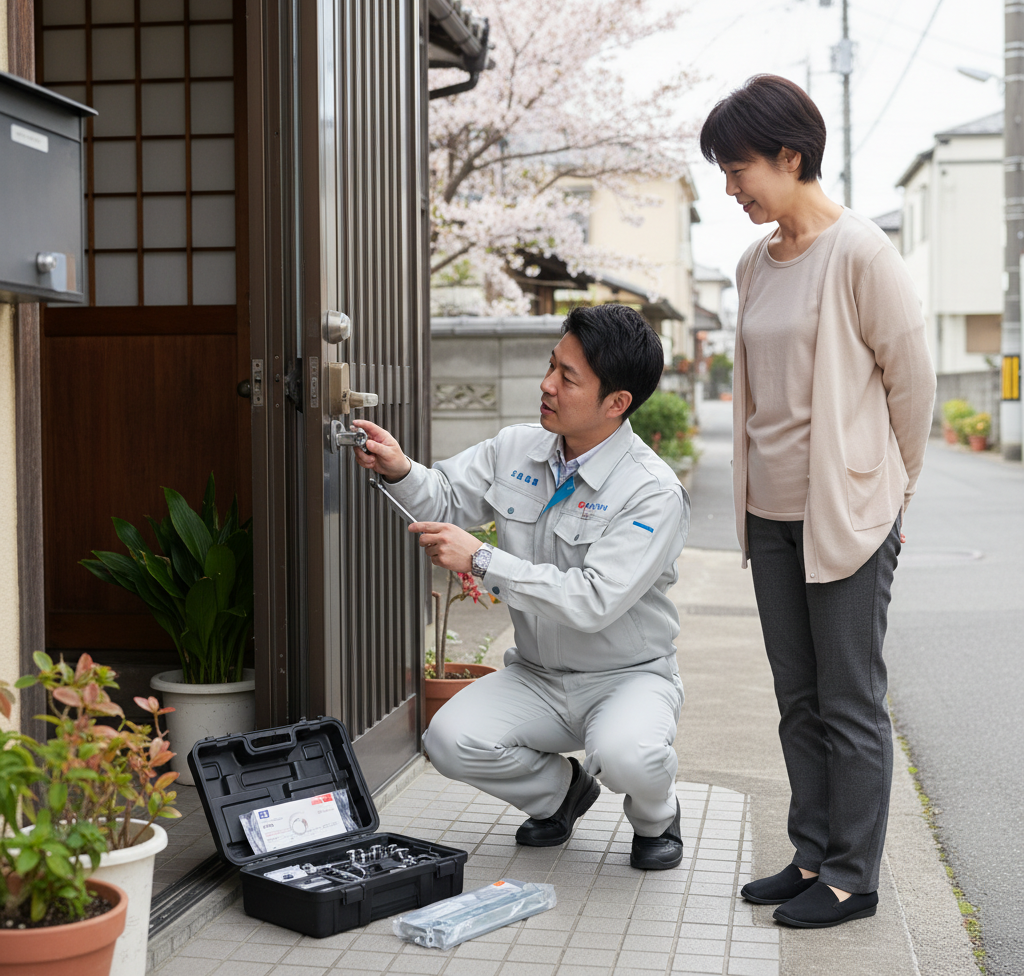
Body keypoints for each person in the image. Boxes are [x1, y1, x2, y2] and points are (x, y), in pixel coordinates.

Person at [699, 75, 936, 928]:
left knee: (850, 700)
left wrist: (894, 492)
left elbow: (913, 386)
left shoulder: (862, 253)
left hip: (849, 515)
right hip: (771, 517)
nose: (729, 186)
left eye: (738, 168)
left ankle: (852, 875)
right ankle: (809, 854)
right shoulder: (753, 263)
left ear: (790, 157)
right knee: (797, 695)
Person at [351, 304, 690, 869]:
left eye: (568, 377)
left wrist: (482, 558)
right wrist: (399, 468)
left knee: (630, 754)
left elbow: (594, 600)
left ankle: (657, 819)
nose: (547, 384)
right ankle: (561, 796)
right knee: (448, 738)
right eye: (551, 365)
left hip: (627, 679)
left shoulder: (652, 491)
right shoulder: (516, 447)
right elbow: (443, 495)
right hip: (537, 676)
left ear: (617, 403)